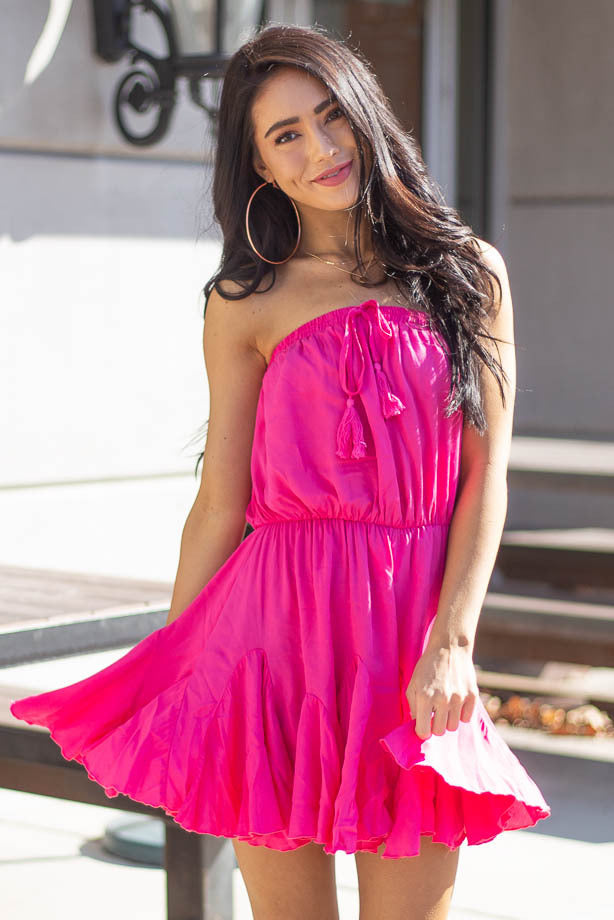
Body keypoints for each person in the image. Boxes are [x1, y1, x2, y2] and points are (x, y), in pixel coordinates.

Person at [10, 22, 551, 920]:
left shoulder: (467, 274)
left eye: (332, 116)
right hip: (272, 647)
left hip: (413, 637)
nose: (320, 149)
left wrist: (453, 640)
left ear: (369, 117)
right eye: (286, 135)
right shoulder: (244, 300)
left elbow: (485, 476)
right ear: (260, 166)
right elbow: (220, 500)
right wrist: (175, 662)